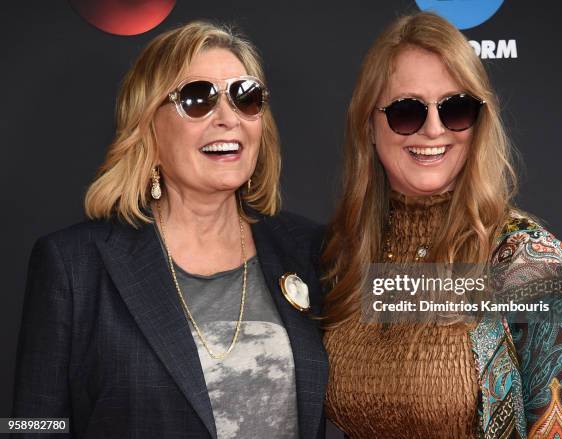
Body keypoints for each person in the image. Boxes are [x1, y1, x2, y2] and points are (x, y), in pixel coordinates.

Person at [13, 21, 328, 439]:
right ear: (148, 126)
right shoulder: (72, 266)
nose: (227, 118)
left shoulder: (308, 249)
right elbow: (31, 424)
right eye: (198, 100)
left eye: (244, 97)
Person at [321, 12, 562, 439]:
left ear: (478, 122)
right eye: (406, 111)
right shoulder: (345, 254)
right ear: (369, 126)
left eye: (456, 109)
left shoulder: (532, 265)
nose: (434, 129)